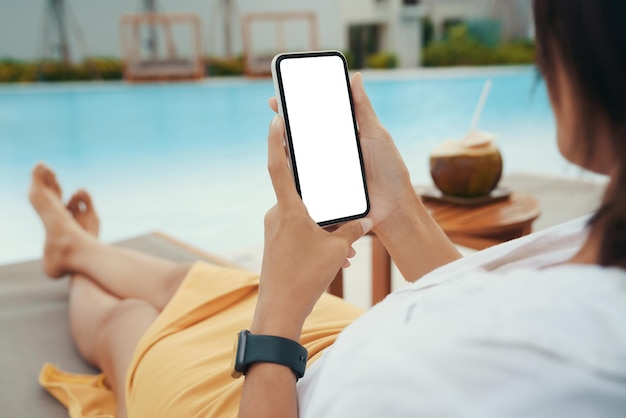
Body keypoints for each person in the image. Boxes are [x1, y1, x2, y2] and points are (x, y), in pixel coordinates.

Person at [31, 1, 626, 417]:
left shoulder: (580, 368)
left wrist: (279, 315)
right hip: (336, 342)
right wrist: (396, 210)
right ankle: (76, 247)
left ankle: (71, 255)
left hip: (267, 385)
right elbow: (491, 314)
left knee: (127, 324)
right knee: (189, 280)